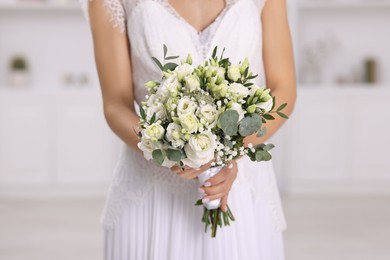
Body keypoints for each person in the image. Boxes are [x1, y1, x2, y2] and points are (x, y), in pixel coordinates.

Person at [81, 0, 296, 259]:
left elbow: (283, 89)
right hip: (152, 198)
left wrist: (229, 152)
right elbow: (116, 104)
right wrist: (168, 149)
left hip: (243, 189)